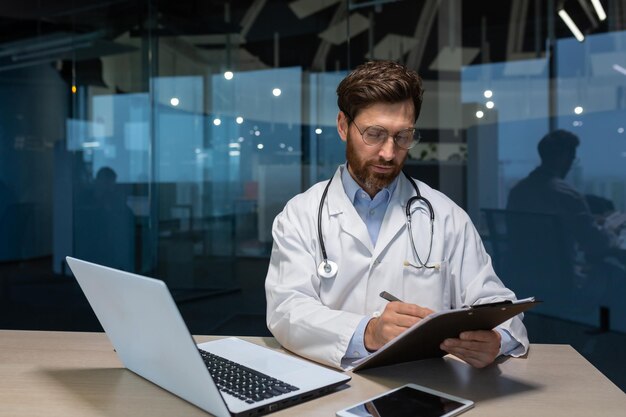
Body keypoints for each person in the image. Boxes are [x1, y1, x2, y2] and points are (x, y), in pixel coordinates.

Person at [265, 60, 528, 370]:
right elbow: (286, 310)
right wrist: (368, 332)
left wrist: (496, 340)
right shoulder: (301, 214)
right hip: (330, 382)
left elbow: (496, 304)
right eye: (374, 134)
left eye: (403, 136)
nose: (389, 153)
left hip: (424, 386)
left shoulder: (446, 216)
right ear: (342, 126)